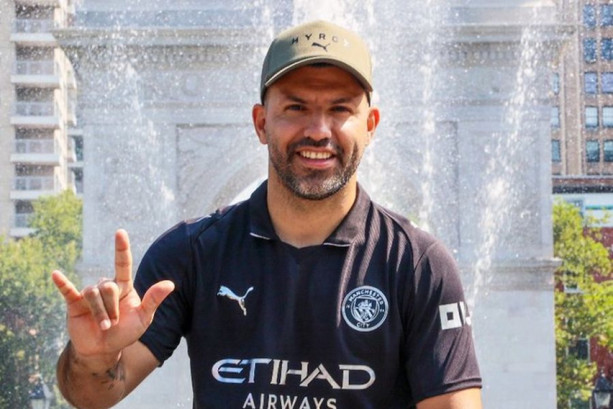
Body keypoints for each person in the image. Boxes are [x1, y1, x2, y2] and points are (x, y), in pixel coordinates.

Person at [52, 20, 482, 409]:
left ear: (370, 125)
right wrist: (93, 357)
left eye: (340, 109)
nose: (318, 131)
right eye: (296, 108)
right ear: (261, 123)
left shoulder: (419, 265)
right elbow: (92, 395)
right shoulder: (190, 253)